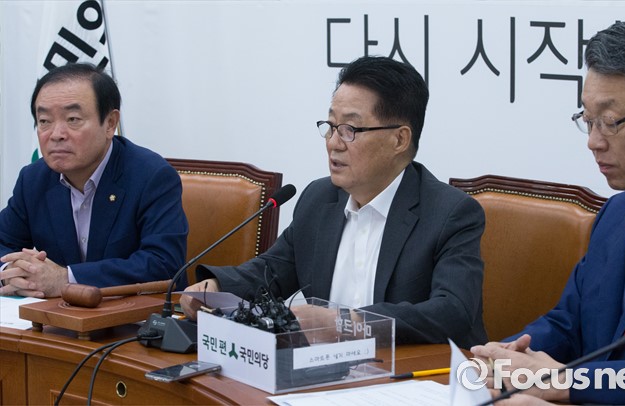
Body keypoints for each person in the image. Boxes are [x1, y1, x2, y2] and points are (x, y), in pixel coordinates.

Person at [181, 55, 487, 348]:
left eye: (350, 129)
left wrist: (345, 323)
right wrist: (217, 288)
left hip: (419, 374)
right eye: (330, 126)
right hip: (327, 370)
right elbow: (271, 271)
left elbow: (451, 311)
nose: (333, 143)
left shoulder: (450, 213)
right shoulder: (319, 199)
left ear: (399, 139)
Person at [471, 19, 625, 404]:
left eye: (609, 122)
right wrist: (508, 356)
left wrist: (570, 382)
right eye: (588, 120)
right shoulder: (614, 213)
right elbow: (568, 322)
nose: (593, 142)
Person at [0, 63, 188, 298]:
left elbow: (163, 264)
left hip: (135, 315)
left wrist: (66, 279)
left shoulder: (152, 176)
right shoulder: (33, 179)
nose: (56, 134)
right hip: (58, 316)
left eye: (73, 119)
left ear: (110, 123)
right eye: (45, 121)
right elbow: (3, 241)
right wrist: (11, 271)